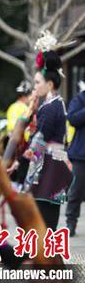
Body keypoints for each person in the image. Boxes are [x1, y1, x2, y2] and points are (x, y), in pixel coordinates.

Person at [15, 31, 73, 231]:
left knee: (43, 221)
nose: (35, 86)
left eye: (38, 82)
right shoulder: (54, 105)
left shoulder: (50, 108)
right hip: (52, 167)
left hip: (48, 169)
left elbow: (38, 141)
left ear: (49, 84)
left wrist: (19, 162)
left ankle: (45, 259)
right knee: (45, 221)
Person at [66, 81, 85, 236]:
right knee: (76, 191)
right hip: (81, 155)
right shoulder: (79, 100)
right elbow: (72, 119)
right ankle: (70, 223)